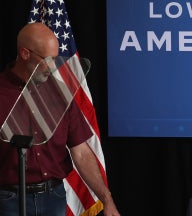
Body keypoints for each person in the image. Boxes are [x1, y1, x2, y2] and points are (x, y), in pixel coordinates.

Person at [0, 23, 120, 216]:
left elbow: (81, 152)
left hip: (53, 199)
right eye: (48, 59)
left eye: (56, 59)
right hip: (8, 202)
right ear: (25, 53)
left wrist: (107, 200)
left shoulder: (58, 93)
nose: (53, 67)